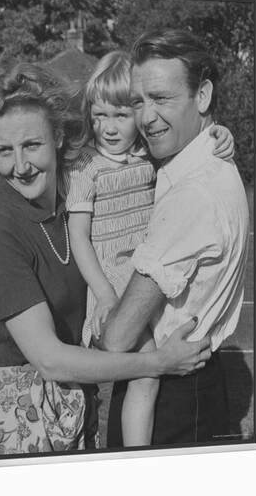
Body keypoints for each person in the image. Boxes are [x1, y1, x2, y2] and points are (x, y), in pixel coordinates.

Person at [0, 61, 212, 456]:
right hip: (27, 428)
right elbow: (52, 361)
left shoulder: (75, 207)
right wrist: (157, 363)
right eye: (3, 151)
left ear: (58, 135)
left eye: (32, 145)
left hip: (80, 415)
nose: (20, 166)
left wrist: (214, 134)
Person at [63, 50, 234, 447]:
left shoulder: (148, 155)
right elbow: (79, 238)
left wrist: (220, 133)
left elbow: (192, 148)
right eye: (99, 115)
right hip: (112, 282)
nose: (108, 126)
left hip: (149, 274)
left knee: (147, 373)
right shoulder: (84, 168)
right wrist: (105, 293)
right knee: (144, 374)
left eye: (121, 115)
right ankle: (136, 459)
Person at [98, 29, 250, 447]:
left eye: (161, 98)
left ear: (202, 96)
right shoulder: (204, 165)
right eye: (137, 101)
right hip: (191, 383)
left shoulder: (193, 193)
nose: (146, 117)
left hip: (172, 395)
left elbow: (117, 339)